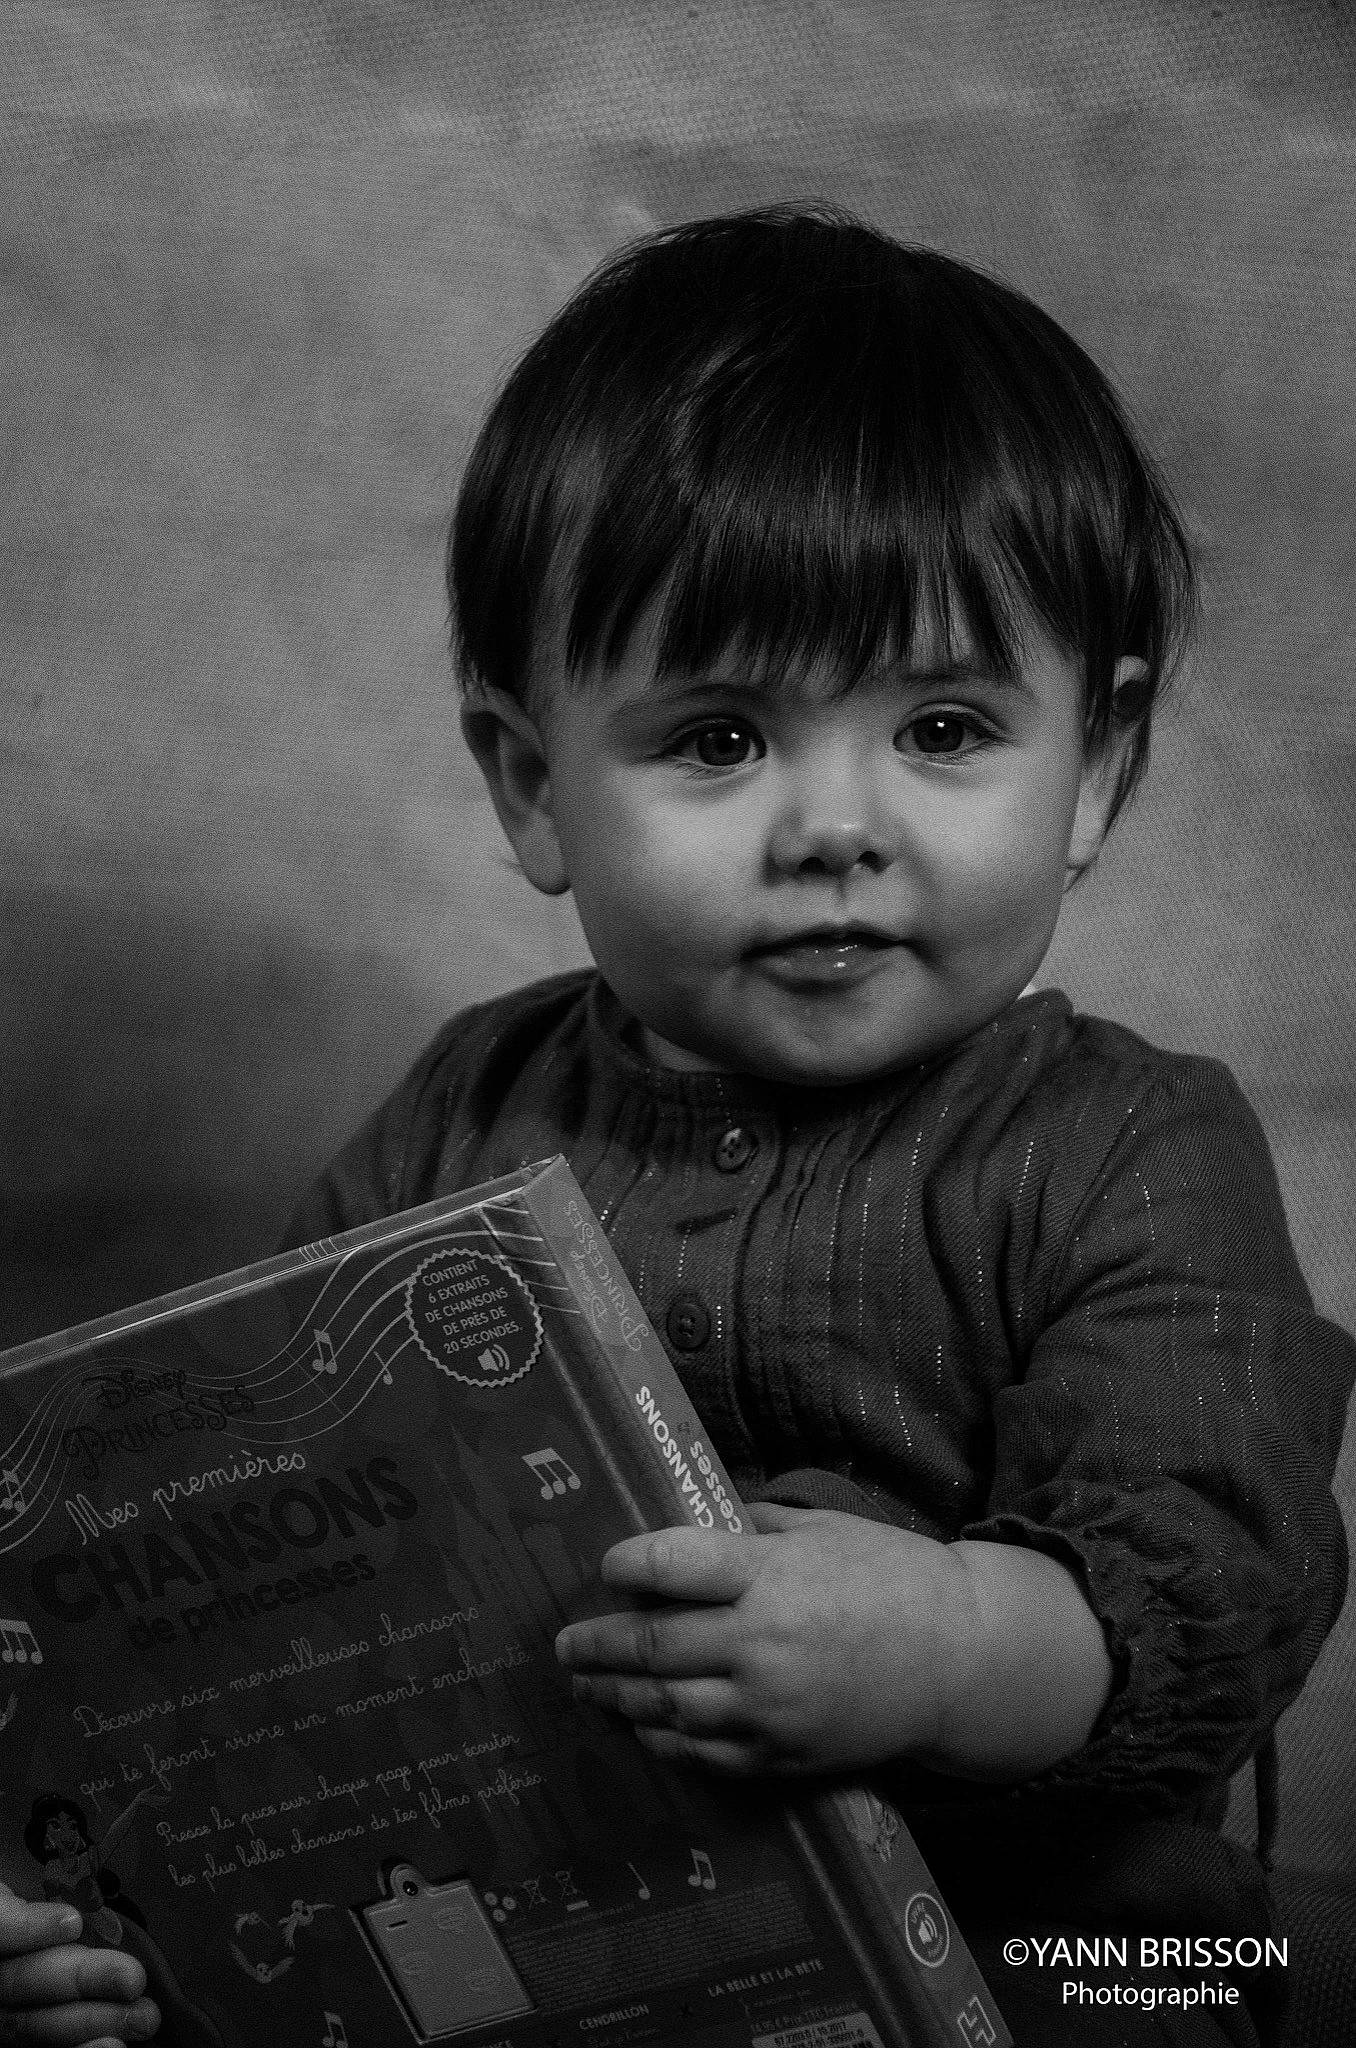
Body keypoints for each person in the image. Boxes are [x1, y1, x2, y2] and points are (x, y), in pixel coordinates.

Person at [2, 205, 1351, 2046]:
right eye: (719, 739)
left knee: (1161, 1991)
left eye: (946, 725)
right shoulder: (466, 1114)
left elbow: (1222, 1584)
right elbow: (249, 1552)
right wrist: (118, 1882)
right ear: (532, 783)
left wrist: (946, 1647)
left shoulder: (1135, 1145)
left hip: (1069, 1944)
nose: (836, 826)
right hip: (569, 1946)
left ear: (1097, 764)